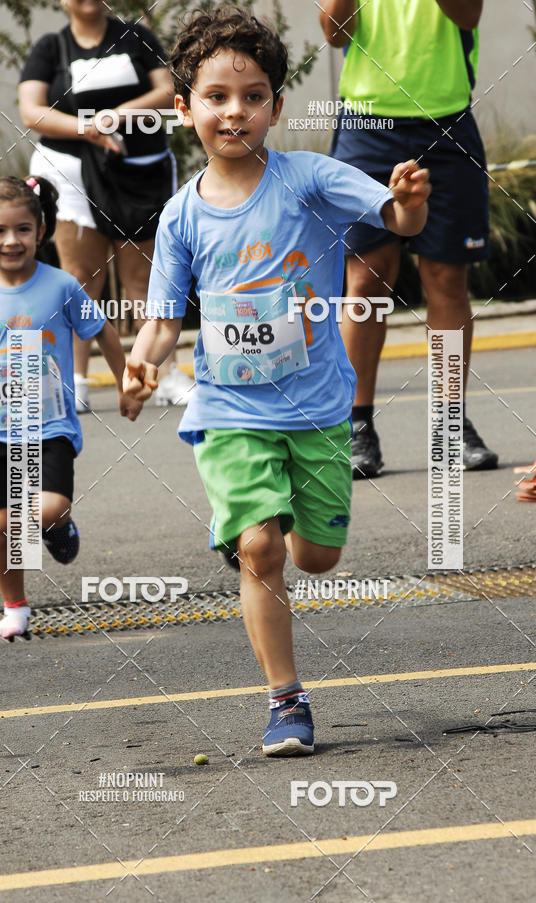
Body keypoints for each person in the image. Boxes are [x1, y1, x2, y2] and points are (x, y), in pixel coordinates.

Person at [123, 8, 431, 755]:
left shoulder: (307, 178)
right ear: (184, 107)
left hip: (318, 406)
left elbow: (396, 218)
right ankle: (286, 700)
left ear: (277, 107)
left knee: (314, 557)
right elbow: (164, 319)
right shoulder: (180, 217)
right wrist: (142, 359)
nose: (236, 112)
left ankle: (274, 525)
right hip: (228, 409)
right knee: (260, 551)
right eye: (218, 96)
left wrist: (409, 202)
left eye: (254, 96)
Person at [0, 176, 139, 639]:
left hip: (50, 427)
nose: (12, 241)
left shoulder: (61, 286)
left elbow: (103, 333)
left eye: (23, 229)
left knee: (45, 508)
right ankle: (16, 608)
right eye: (0, 232)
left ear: (42, 229)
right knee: (0, 527)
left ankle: (58, 527)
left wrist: (127, 384)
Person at [320, 0, 497, 477]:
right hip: (367, 123)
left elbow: (468, 15)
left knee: (446, 279)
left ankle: (450, 423)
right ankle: (355, 426)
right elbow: (335, 32)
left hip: (447, 120)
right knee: (365, 281)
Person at [18, 0, 193, 412]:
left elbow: (168, 92)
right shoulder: (50, 48)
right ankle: (75, 380)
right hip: (70, 173)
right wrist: (88, 129)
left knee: (144, 277)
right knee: (81, 278)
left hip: (137, 173)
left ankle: (163, 373)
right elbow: (31, 111)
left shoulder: (135, 35)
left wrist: (113, 117)